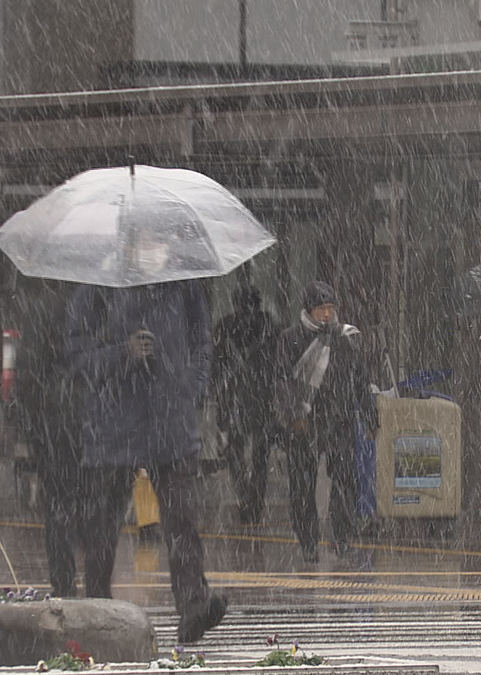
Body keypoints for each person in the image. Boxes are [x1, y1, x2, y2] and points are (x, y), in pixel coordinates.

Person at [64, 229, 226, 643]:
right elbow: (77, 356)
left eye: (160, 237)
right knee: (102, 525)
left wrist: (192, 388)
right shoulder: (100, 285)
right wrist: (122, 353)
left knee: (182, 519)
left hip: (170, 419)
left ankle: (193, 604)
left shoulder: (183, 285)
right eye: (146, 238)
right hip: (114, 425)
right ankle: (97, 607)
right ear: (128, 241)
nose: (155, 246)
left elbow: (202, 341)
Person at [275, 281, 377, 563]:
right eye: (321, 309)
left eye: (330, 309)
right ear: (309, 310)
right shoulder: (291, 338)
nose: (326, 315)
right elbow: (283, 380)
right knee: (302, 485)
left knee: (346, 481)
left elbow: (360, 378)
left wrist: (369, 413)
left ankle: (342, 538)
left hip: (340, 420)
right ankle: (308, 541)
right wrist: (294, 414)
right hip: (306, 423)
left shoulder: (346, 338)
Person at [13, 279, 85, 597]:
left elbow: (27, 374)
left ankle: (64, 583)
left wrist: (31, 425)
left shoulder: (42, 307)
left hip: (54, 423)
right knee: (97, 507)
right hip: (96, 421)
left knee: (58, 507)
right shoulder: (101, 305)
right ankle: (97, 585)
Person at [212, 285, 278, 524]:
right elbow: (275, 365)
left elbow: (217, 368)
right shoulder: (266, 325)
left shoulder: (226, 327)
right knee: (258, 455)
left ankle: (246, 498)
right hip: (258, 398)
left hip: (236, 398)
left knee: (236, 454)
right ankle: (254, 501)